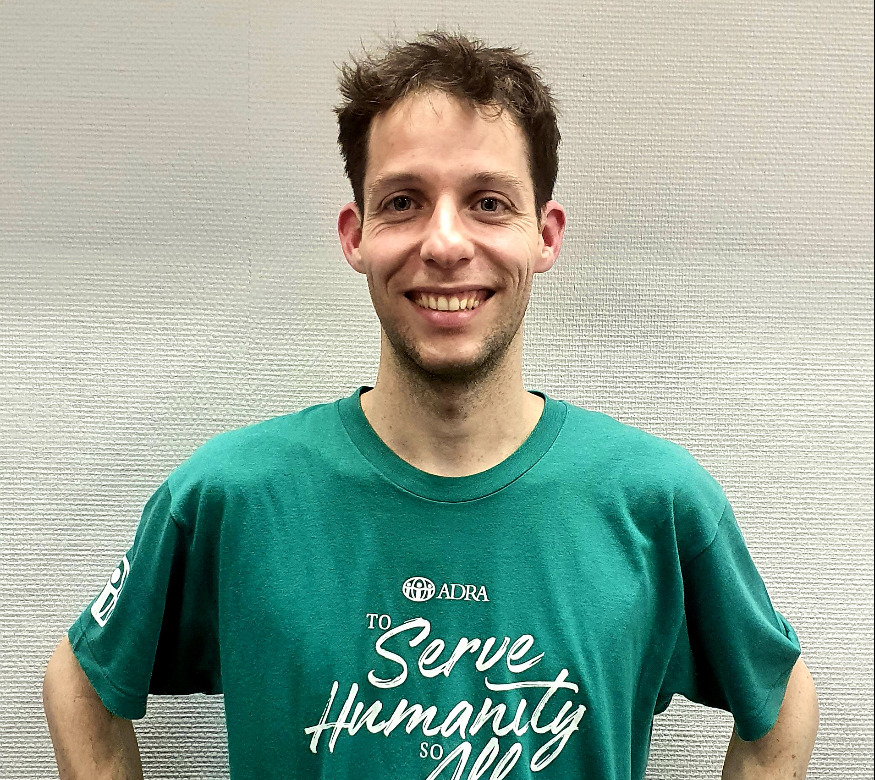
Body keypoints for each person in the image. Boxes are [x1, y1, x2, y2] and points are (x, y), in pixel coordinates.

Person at [42, 31, 819, 780]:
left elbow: (780, 701)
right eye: (404, 201)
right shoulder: (233, 499)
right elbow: (81, 682)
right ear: (356, 235)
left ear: (545, 236)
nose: (445, 243)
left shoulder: (655, 505)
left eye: (488, 202)